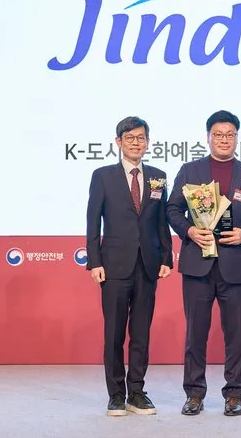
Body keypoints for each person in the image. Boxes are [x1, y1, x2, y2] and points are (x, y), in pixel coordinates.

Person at [166, 110, 241, 417]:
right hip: (197, 264)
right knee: (195, 334)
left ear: (237, 138)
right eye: (218, 135)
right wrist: (189, 230)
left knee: (235, 334)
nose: (224, 140)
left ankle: (234, 394)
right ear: (208, 137)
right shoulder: (190, 170)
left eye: (230, 135)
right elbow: (172, 210)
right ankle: (194, 393)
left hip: (234, 265)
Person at [85, 116, 173, 416]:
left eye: (141, 138)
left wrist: (166, 257)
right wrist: (94, 261)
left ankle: (137, 392)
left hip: (148, 264)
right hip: (113, 265)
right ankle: (115, 394)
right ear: (118, 142)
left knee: (141, 332)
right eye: (130, 137)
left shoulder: (159, 176)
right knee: (114, 333)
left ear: (148, 142)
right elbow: (92, 221)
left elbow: (161, 222)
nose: (136, 143)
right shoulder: (103, 176)